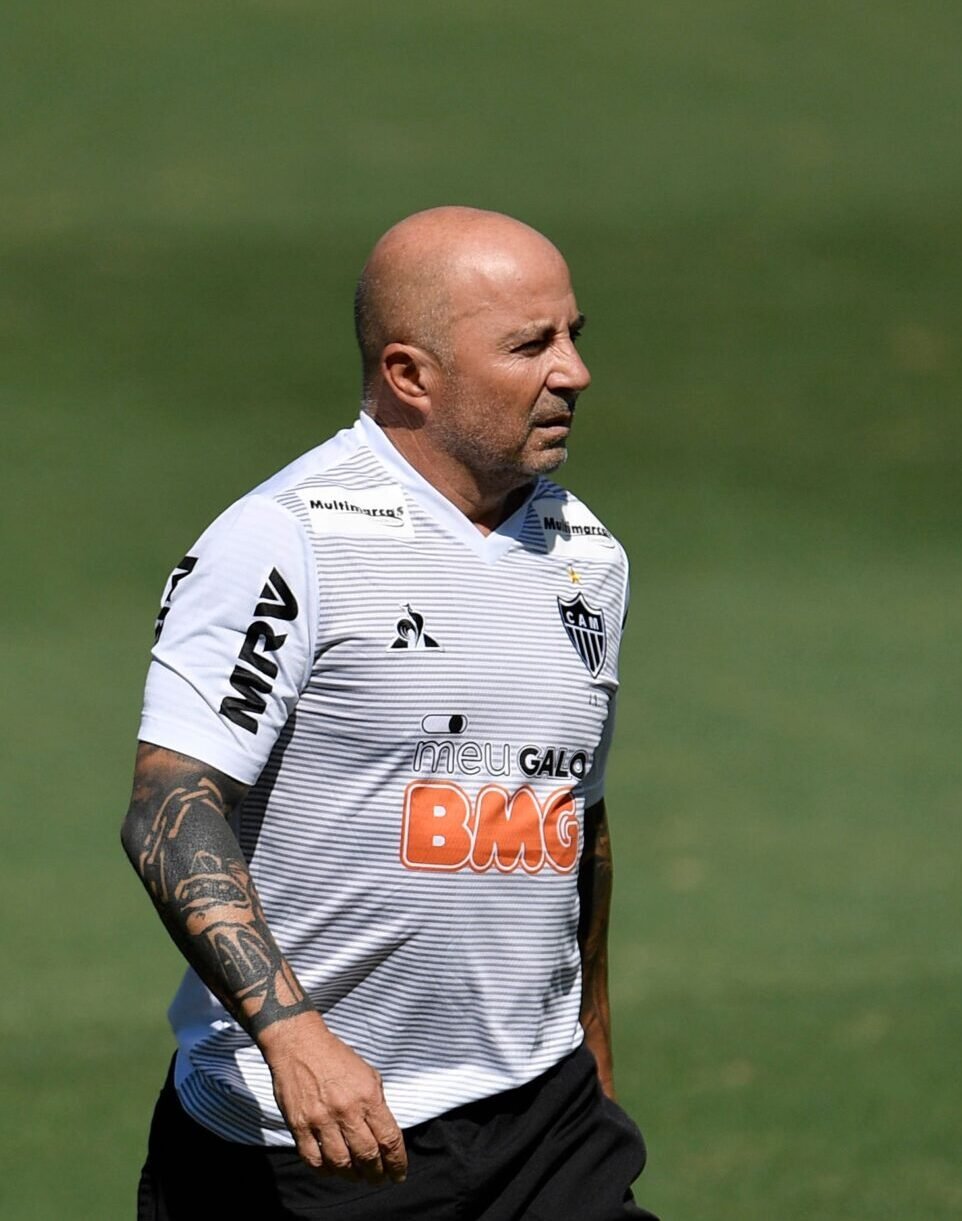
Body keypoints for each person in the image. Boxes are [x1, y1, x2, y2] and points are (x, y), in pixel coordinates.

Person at [120, 206, 656, 1220]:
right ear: (411, 374)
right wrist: (294, 1036)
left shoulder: (585, 555)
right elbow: (166, 807)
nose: (573, 372)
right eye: (529, 345)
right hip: (309, 1146)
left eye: (574, 335)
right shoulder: (286, 540)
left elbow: (570, 820)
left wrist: (591, 1054)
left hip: (544, 1125)